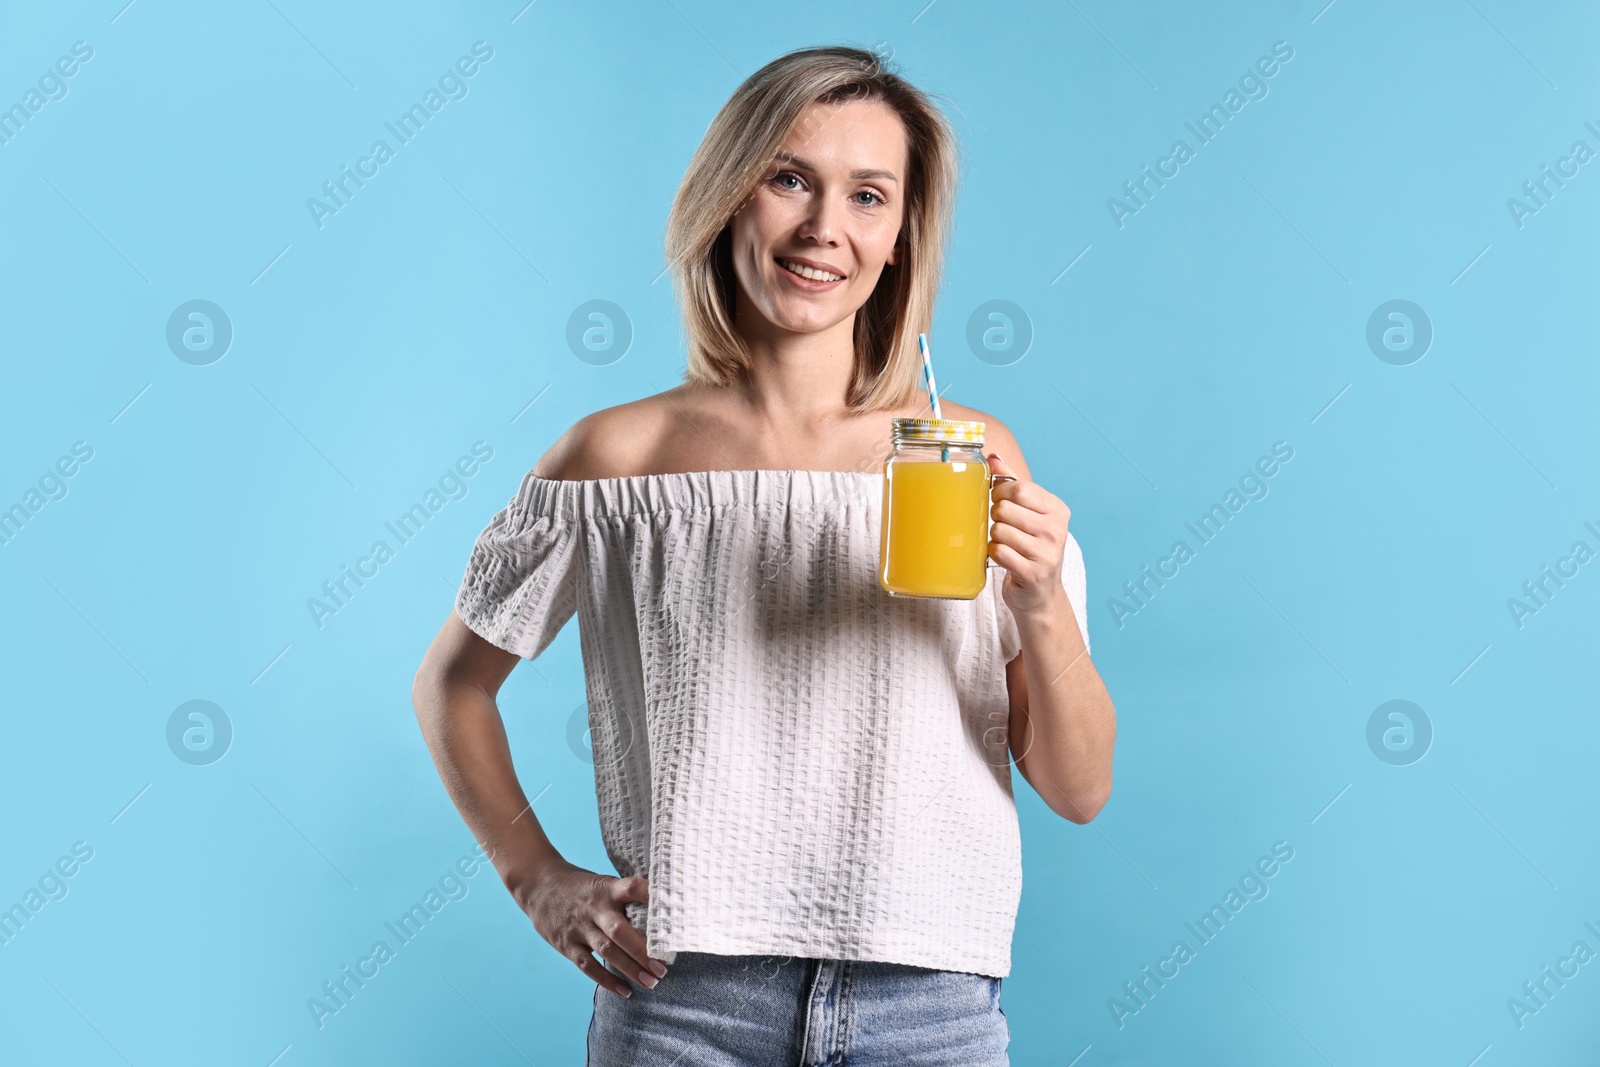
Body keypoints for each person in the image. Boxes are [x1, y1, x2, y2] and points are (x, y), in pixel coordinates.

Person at [412, 43, 1116, 1066]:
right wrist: (535, 878)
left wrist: (1042, 598)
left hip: (928, 1005)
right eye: (790, 178)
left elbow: (1079, 785)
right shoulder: (616, 460)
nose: (824, 227)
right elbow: (453, 685)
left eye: (868, 196)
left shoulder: (971, 457)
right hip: (682, 1004)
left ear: (898, 239)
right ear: (728, 196)